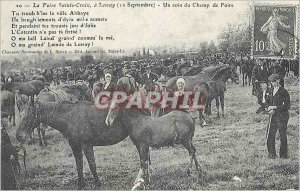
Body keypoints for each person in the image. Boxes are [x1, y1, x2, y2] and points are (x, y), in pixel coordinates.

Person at [266, 73, 290, 159]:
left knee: (282, 135)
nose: (273, 83)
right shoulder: (269, 91)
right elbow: (267, 103)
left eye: (274, 81)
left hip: (282, 116)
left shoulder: (284, 92)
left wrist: (275, 107)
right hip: (273, 116)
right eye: (271, 82)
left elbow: (287, 106)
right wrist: (268, 109)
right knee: (270, 135)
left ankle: (283, 156)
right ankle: (272, 154)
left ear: (278, 81)